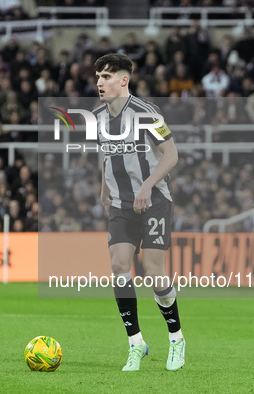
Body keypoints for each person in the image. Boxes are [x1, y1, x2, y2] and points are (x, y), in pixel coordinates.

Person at [93, 53, 184, 372]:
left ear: (123, 80)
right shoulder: (98, 116)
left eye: (106, 76)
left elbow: (170, 154)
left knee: (152, 268)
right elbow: (105, 153)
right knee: (119, 265)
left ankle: (176, 338)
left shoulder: (146, 113)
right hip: (120, 202)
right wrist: (104, 190)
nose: (99, 82)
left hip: (154, 199)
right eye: (98, 76)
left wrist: (147, 185)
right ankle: (136, 343)